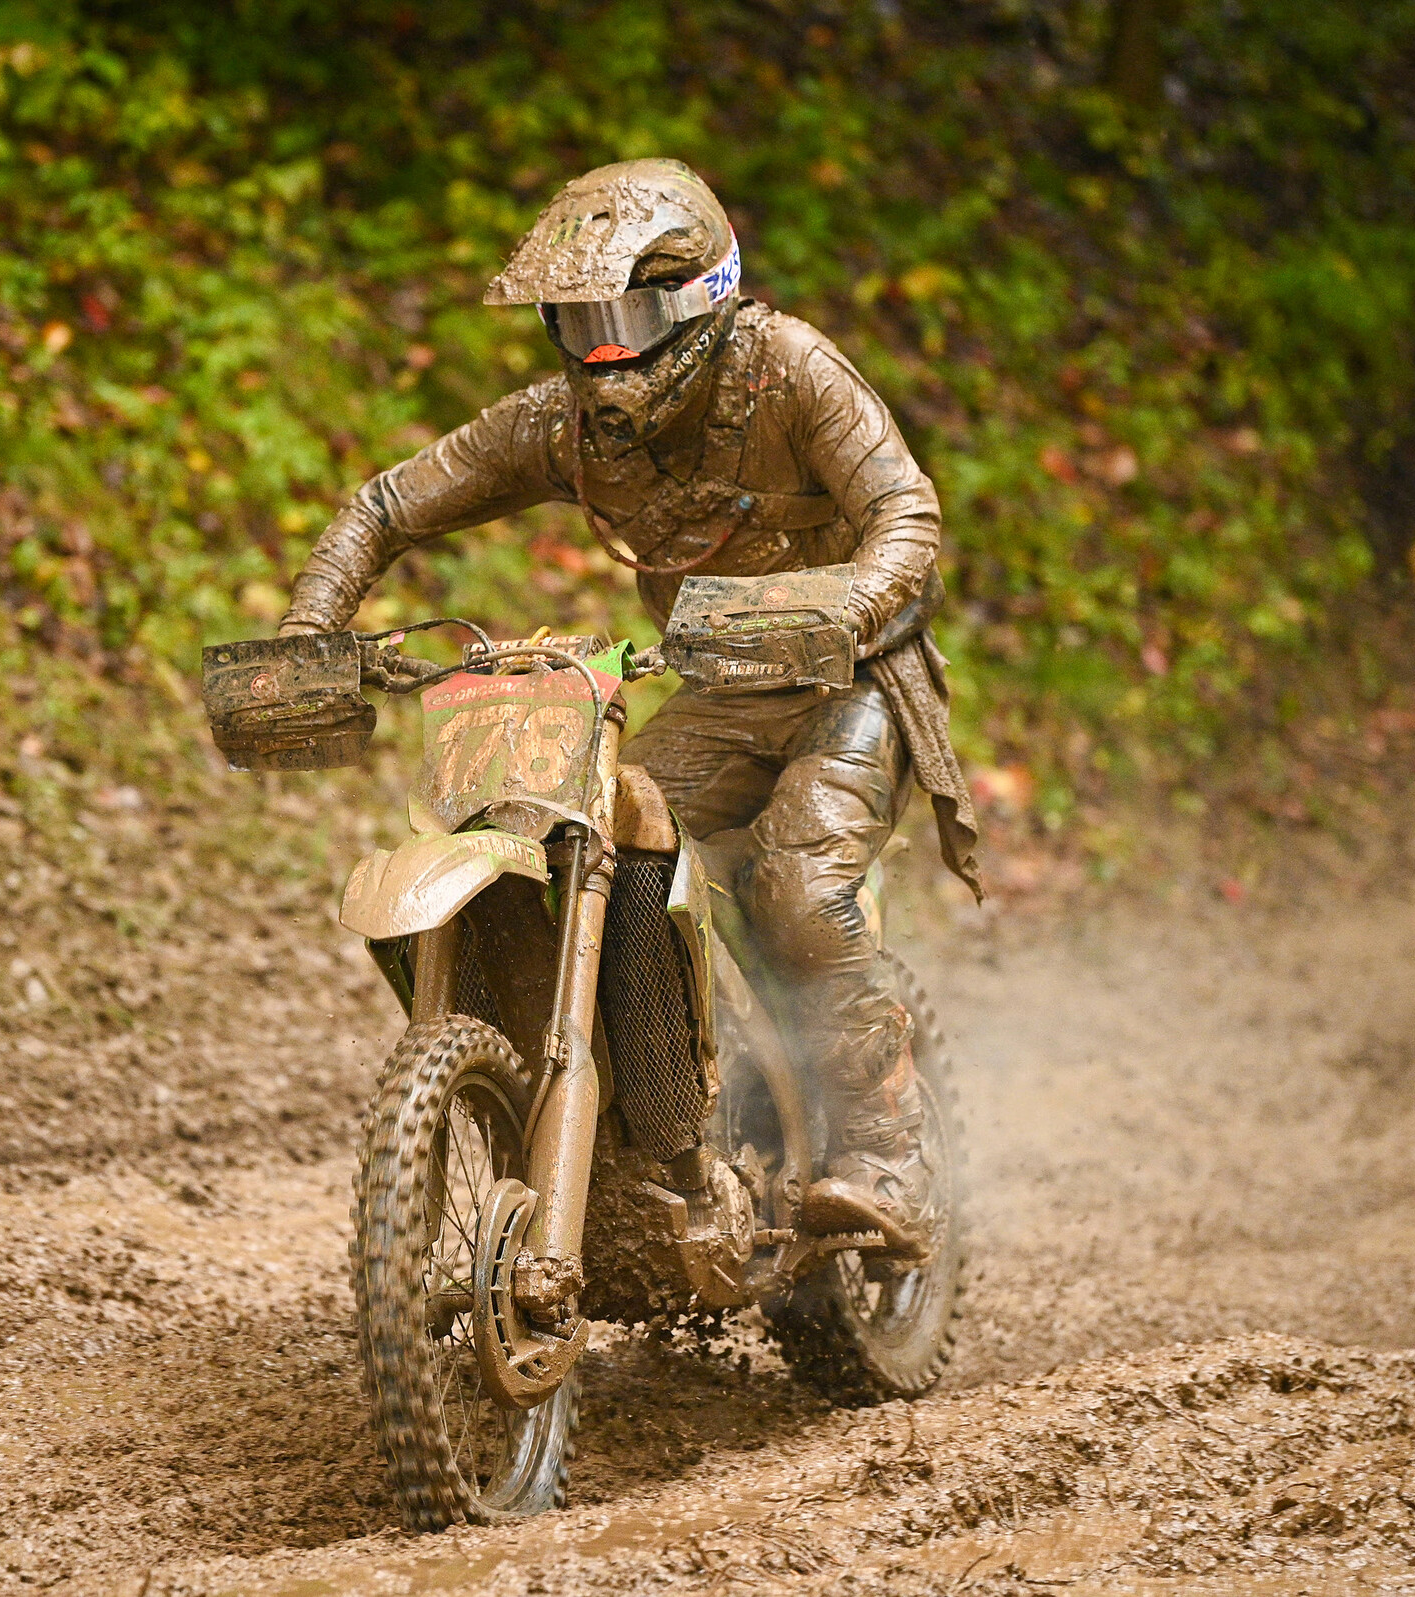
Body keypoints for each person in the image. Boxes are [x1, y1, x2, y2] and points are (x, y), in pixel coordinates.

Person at [278, 158, 979, 1237]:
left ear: (703, 295)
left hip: (855, 679)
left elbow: (907, 512)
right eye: (581, 321)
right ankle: (667, 1118)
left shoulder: (790, 369)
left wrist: (849, 599)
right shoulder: (564, 427)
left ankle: (892, 1154)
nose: (606, 351)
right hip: (719, 688)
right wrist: (309, 628)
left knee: (797, 878)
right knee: (606, 839)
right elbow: (385, 505)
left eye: (632, 314)